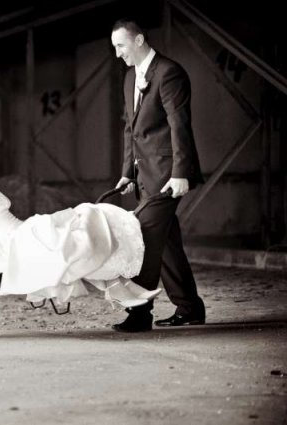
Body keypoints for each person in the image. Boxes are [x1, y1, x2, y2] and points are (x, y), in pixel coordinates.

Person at [0, 136, 162, 310]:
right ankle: (116, 288)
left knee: (87, 218)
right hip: (13, 246)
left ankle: (120, 284)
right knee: (74, 240)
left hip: (25, 230)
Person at [110, 18, 205, 332]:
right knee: (166, 242)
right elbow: (131, 129)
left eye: (121, 45)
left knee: (145, 237)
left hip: (167, 175)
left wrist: (181, 173)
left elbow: (179, 125)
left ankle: (139, 314)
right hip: (144, 176)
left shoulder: (169, 72)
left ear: (138, 40)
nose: (117, 53)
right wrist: (128, 172)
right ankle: (189, 308)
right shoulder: (129, 77)